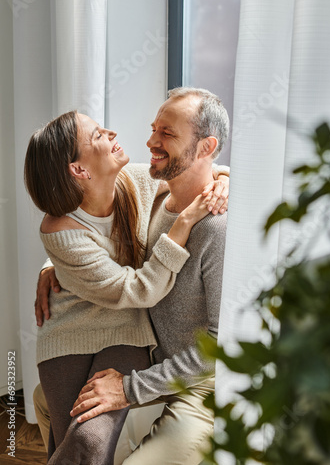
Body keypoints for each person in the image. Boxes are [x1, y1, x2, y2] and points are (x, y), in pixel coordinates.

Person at [34, 87, 230, 464]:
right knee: (44, 400)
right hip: (153, 359)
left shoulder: (216, 229)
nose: (150, 141)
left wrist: (129, 388)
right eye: (154, 128)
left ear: (206, 147)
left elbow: (218, 350)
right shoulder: (151, 194)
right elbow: (89, 233)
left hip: (198, 384)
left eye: (167, 134)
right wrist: (55, 265)